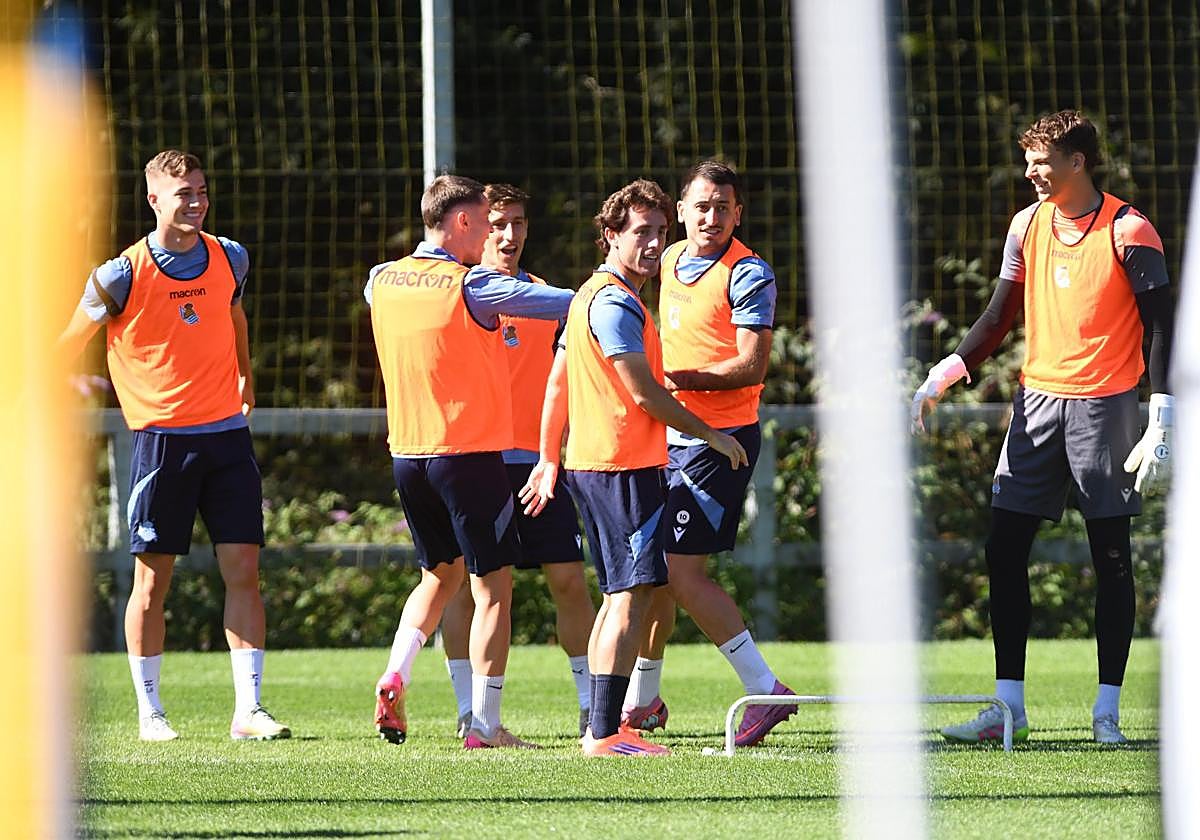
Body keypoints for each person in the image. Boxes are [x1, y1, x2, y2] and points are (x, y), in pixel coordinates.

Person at [912, 110, 1175, 745]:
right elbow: (999, 315)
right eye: (1030, 160)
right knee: (1003, 548)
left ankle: (1107, 711)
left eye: (1041, 160)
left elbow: (1163, 327)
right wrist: (944, 374)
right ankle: (1009, 710)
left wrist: (1162, 416)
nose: (1031, 171)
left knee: (1110, 556)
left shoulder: (1129, 228)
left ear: (1076, 162)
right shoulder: (1026, 225)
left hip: (1107, 408)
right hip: (1035, 407)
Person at [58, 150, 289, 742]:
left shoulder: (229, 256)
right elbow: (69, 340)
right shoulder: (119, 274)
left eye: (202, 191)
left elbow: (234, 318)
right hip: (162, 444)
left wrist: (245, 375)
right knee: (152, 584)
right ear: (154, 199)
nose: (196, 201)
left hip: (227, 439)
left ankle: (250, 711)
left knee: (244, 570)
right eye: (183, 193)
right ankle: (150, 713)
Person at [521, 179, 749, 757]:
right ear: (610, 237)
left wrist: (551, 457)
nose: (654, 244)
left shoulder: (588, 297)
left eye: (660, 233)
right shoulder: (616, 302)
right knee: (632, 597)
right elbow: (644, 393)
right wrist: (712, 435)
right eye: (640, 233)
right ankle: (603, 733)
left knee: (623, 594)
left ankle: (601, 724)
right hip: (621, 468)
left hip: (597, 465)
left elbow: (558, 383)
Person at [366, 174, 573, 750]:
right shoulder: (474, 286)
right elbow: (563, 302)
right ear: (461, 223)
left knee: (439, 574)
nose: (491, 233)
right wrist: (614, 289)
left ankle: (397, 671)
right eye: (484, 222)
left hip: (407, 456)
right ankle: (485, 725)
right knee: (492, 591)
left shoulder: (380, 280)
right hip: (469, 456)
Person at [621, 160, 797, 747]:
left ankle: (765, 690)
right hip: (666, 435)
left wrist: (675, 379)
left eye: (723, 207)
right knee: (660, 577)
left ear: (737, 214)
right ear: (681, 211)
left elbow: (751, 364)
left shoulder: (748, 272)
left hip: (718, 441)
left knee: (680, 572)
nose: (712, 216)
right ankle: (643, 703)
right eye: (702, 206)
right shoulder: (668, 261)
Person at [439, 184, 597, 739]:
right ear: (476, 226)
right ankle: (473, 712)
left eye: (519, 224)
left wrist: (554, 454)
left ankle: (590, 706)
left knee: (569, 581)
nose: (509, 236)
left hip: (536, 463)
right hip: (472, 461)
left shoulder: (545, 299)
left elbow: (570, 379)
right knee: (465, 586)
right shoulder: (453, 293)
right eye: (498, 223)